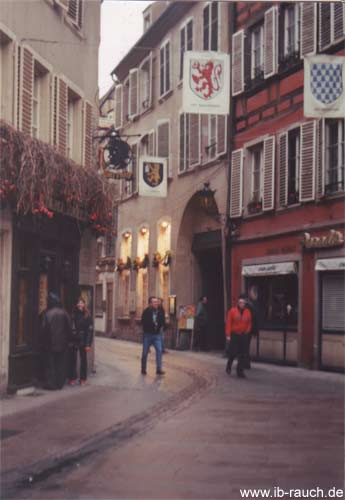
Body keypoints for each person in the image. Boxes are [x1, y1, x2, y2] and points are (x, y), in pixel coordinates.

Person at [40, 292, 72, 390]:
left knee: (51, 365)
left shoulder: (47, 314)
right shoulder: (64, 313)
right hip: (62, 344)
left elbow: (43, 330)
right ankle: (59, 384)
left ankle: (52, 384)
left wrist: (43, 343)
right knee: (60, 364)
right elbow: (69, 328)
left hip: (50, 344)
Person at [225, 294, 252, 378]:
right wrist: (228, 335)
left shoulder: (248, 312)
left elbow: (249, 323)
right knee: (233, 352)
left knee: (242, 354)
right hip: (234, 334)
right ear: (238, 303)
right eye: (240, 302)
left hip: (243, 335)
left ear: (245, 304)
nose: (242, 304)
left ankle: (240, 371)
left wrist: (247, 331)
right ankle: (229, 366)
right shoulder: (232, 311)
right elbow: (228, 323)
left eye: (243, 303)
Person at [68, 298, 93, 386]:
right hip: (74, 339)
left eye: (81, 303)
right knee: (72, 359)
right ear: (76, 304)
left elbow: (89, 331)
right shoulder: (73, 315)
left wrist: (88, 344)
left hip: (83, 339)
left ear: (84, 304)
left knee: (83, 360)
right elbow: (70, 328)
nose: (80, 304)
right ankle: (72, 378)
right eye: (78, 303)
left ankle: (83, 379)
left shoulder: (87, 315)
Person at [141, 296, 166, 375]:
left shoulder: (160, 311)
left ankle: (159, 369)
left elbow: (163, 321)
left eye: (156, 302)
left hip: (157, 335)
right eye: (154, 302)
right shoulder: (146, 312)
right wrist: (152, 325)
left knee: (159, 351)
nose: (156, 303)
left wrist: (161, 326)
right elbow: (143, 322)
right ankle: (143, 368)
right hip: (148, 335)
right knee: (145, 353)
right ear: (150, 303)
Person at [244, 286, 259, 369]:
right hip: (246, 329)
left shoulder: (252, 304)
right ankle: (245, 363)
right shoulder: (249, 304)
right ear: (251, 293)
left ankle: (245, 362)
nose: (256, 296)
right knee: (245, 346)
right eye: (255, 294)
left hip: (247, 329)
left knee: (246, 346)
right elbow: (253, 319)